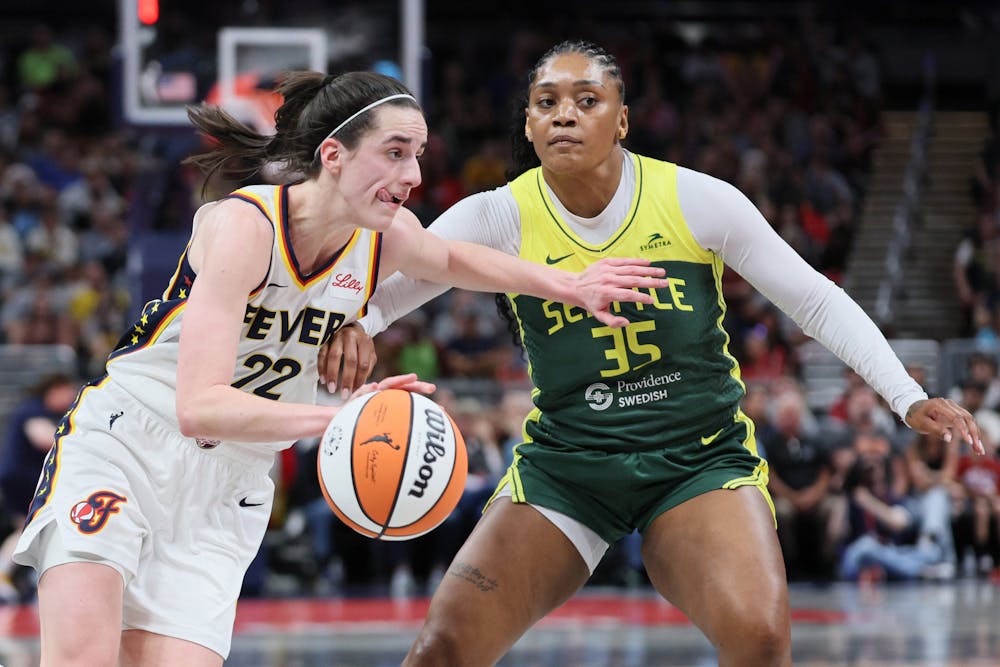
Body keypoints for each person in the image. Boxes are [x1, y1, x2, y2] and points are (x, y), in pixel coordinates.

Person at [322, 41, 984, 666]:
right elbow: (390, 290)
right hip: (569, 466)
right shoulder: (499, 215)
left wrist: (907, 395)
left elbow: (813, 298)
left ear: (623, 120)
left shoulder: (696, 200)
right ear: (527, 125)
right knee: (441, 648)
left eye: (587, 100)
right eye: (547, 103)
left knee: (758, 636)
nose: (565, 116)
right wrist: (361, 321)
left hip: (695, 462)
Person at [11, 69, 667, 667]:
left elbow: (463, 260)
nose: (413, 174)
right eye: (395, 152)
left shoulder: (385, 238)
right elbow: (198, 403)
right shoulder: (246, 227)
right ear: (333, 155)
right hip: (129, 442)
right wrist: (344, 417)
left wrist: (573, 284)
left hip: (230, 487)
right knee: (84, 656)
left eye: (417, 155)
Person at [0, 373, 78, 601]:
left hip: (25, 478)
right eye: (67, 391)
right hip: (21, 479)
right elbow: (45, 438)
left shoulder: (46, 412)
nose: (72, 396)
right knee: (31, 527)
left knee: (24, 529)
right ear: (54, 389)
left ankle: (12, 574)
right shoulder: (33, 410)